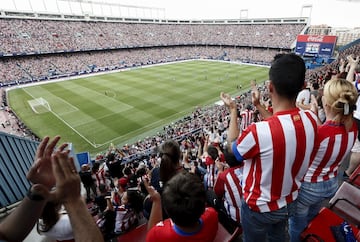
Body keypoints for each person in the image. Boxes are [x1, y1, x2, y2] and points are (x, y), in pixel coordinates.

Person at [220, 53, 318, 242]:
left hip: (259, 207)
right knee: (278, 236)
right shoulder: (312, 119)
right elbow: (282, 124)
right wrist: (257, 105)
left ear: (270, 87)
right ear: (303, 87)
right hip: (289, 200)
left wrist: (233, 110)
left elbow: (233, 150)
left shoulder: (257, 132)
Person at [289, 78, 358, 242]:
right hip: (332, 182)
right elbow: (330, 132)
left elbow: (302, 156)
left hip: (309, 187)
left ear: (326, 103)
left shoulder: (320, 134)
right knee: (312, 217)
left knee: (296, 224)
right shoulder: (353, 127)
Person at [0, 136, 104, 242]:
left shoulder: (42, 228)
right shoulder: (68, 222)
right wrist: (73, 201)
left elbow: (6, 236)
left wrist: (41, 187)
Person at [145, 171, 218, 242]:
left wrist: (156, 201)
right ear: (204, 206)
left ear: (168, 213)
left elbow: (151, 235)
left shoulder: (158, 236)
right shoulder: (212, 215)